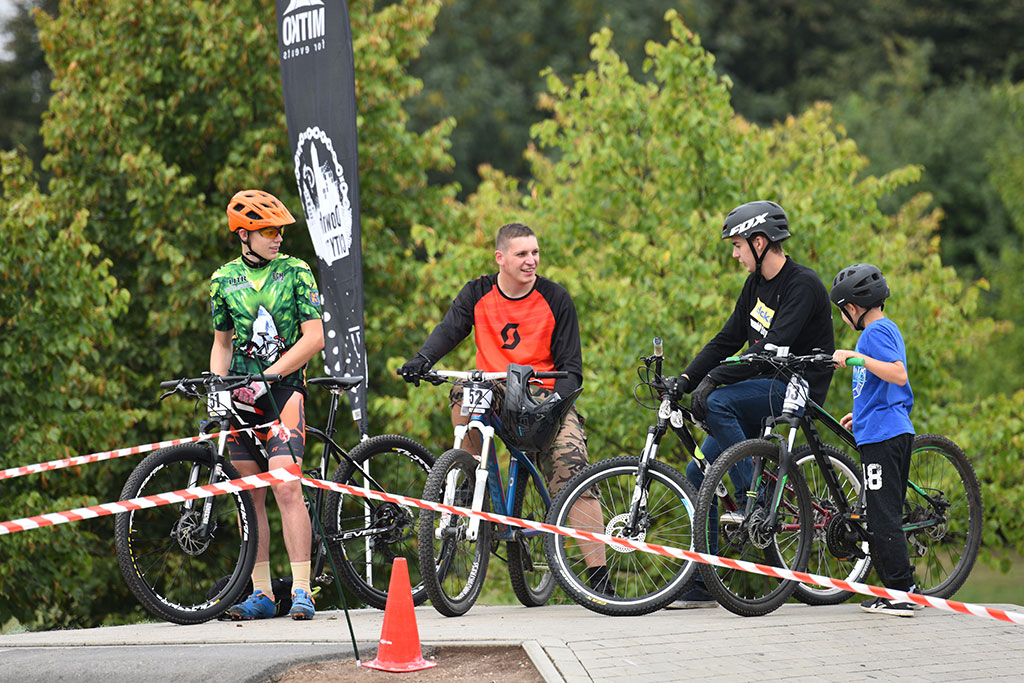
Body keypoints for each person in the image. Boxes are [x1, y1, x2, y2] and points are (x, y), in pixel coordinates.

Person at [399, 222, 612, 595]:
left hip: (543, 394)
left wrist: (553, 409)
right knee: (464, 390)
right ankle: (469, 479)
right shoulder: (478, 292)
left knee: (570, 467)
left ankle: (600, 580)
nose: (531, 261)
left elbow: (572, 371)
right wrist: (422, 359)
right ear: (500, 257)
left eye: (535, 253)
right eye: (522, 254)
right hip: (495, 388)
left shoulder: (555, 298)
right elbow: (450, 330)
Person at [673, 200, 835, 607]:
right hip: (764, 383)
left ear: (760, 242)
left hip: (797, 384)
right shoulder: (754, 285)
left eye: (738, 245)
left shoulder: (802, 284)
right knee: (698, 472)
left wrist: (714, 380)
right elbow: (728, 340)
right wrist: (687, 379)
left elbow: (770, 350)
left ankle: (757, 501)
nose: (734, 253)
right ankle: (703, 582)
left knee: (720, 402)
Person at [209, 189, 325, 620]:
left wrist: (273, 374)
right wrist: (219, 387)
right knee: (248, 495)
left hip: (283, 390)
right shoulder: (223, 280)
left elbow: (314, 337)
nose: (278, 238)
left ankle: (301, 589)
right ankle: (261, 593)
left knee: (285, 484)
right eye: (268, 231)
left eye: (280, 231)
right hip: (241, 395)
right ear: (244, 234)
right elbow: (221, 345)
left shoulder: (295, 272)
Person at [831, 263, 921, 617]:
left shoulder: (874, 333)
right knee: (884, 511)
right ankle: (901, 587)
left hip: (884, 436)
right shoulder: (884, 330)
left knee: (883, 516)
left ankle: (900, 592)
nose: (843, 318)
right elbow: (881, 386)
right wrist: (862, 413)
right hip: (883, 428)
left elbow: (897, 373)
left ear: (852, 308)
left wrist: (857, 357)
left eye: (842, 312)